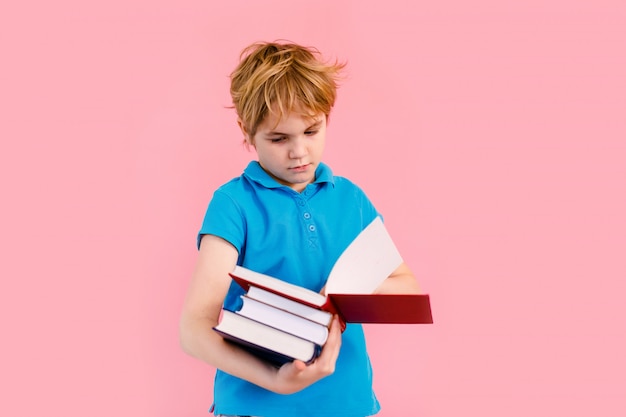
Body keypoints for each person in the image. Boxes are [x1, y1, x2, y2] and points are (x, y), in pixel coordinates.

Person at [179, 40, 421, 417]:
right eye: (278, 139)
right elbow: (194, 329)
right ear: (247, 131)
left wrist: (346, 293)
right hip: (255, 407)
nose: (299, 153)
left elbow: (407, 289)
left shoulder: (352, 200)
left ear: (328, 117)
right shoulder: (233, 204)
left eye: (311, 131)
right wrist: (275, 381)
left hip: (347, 404)